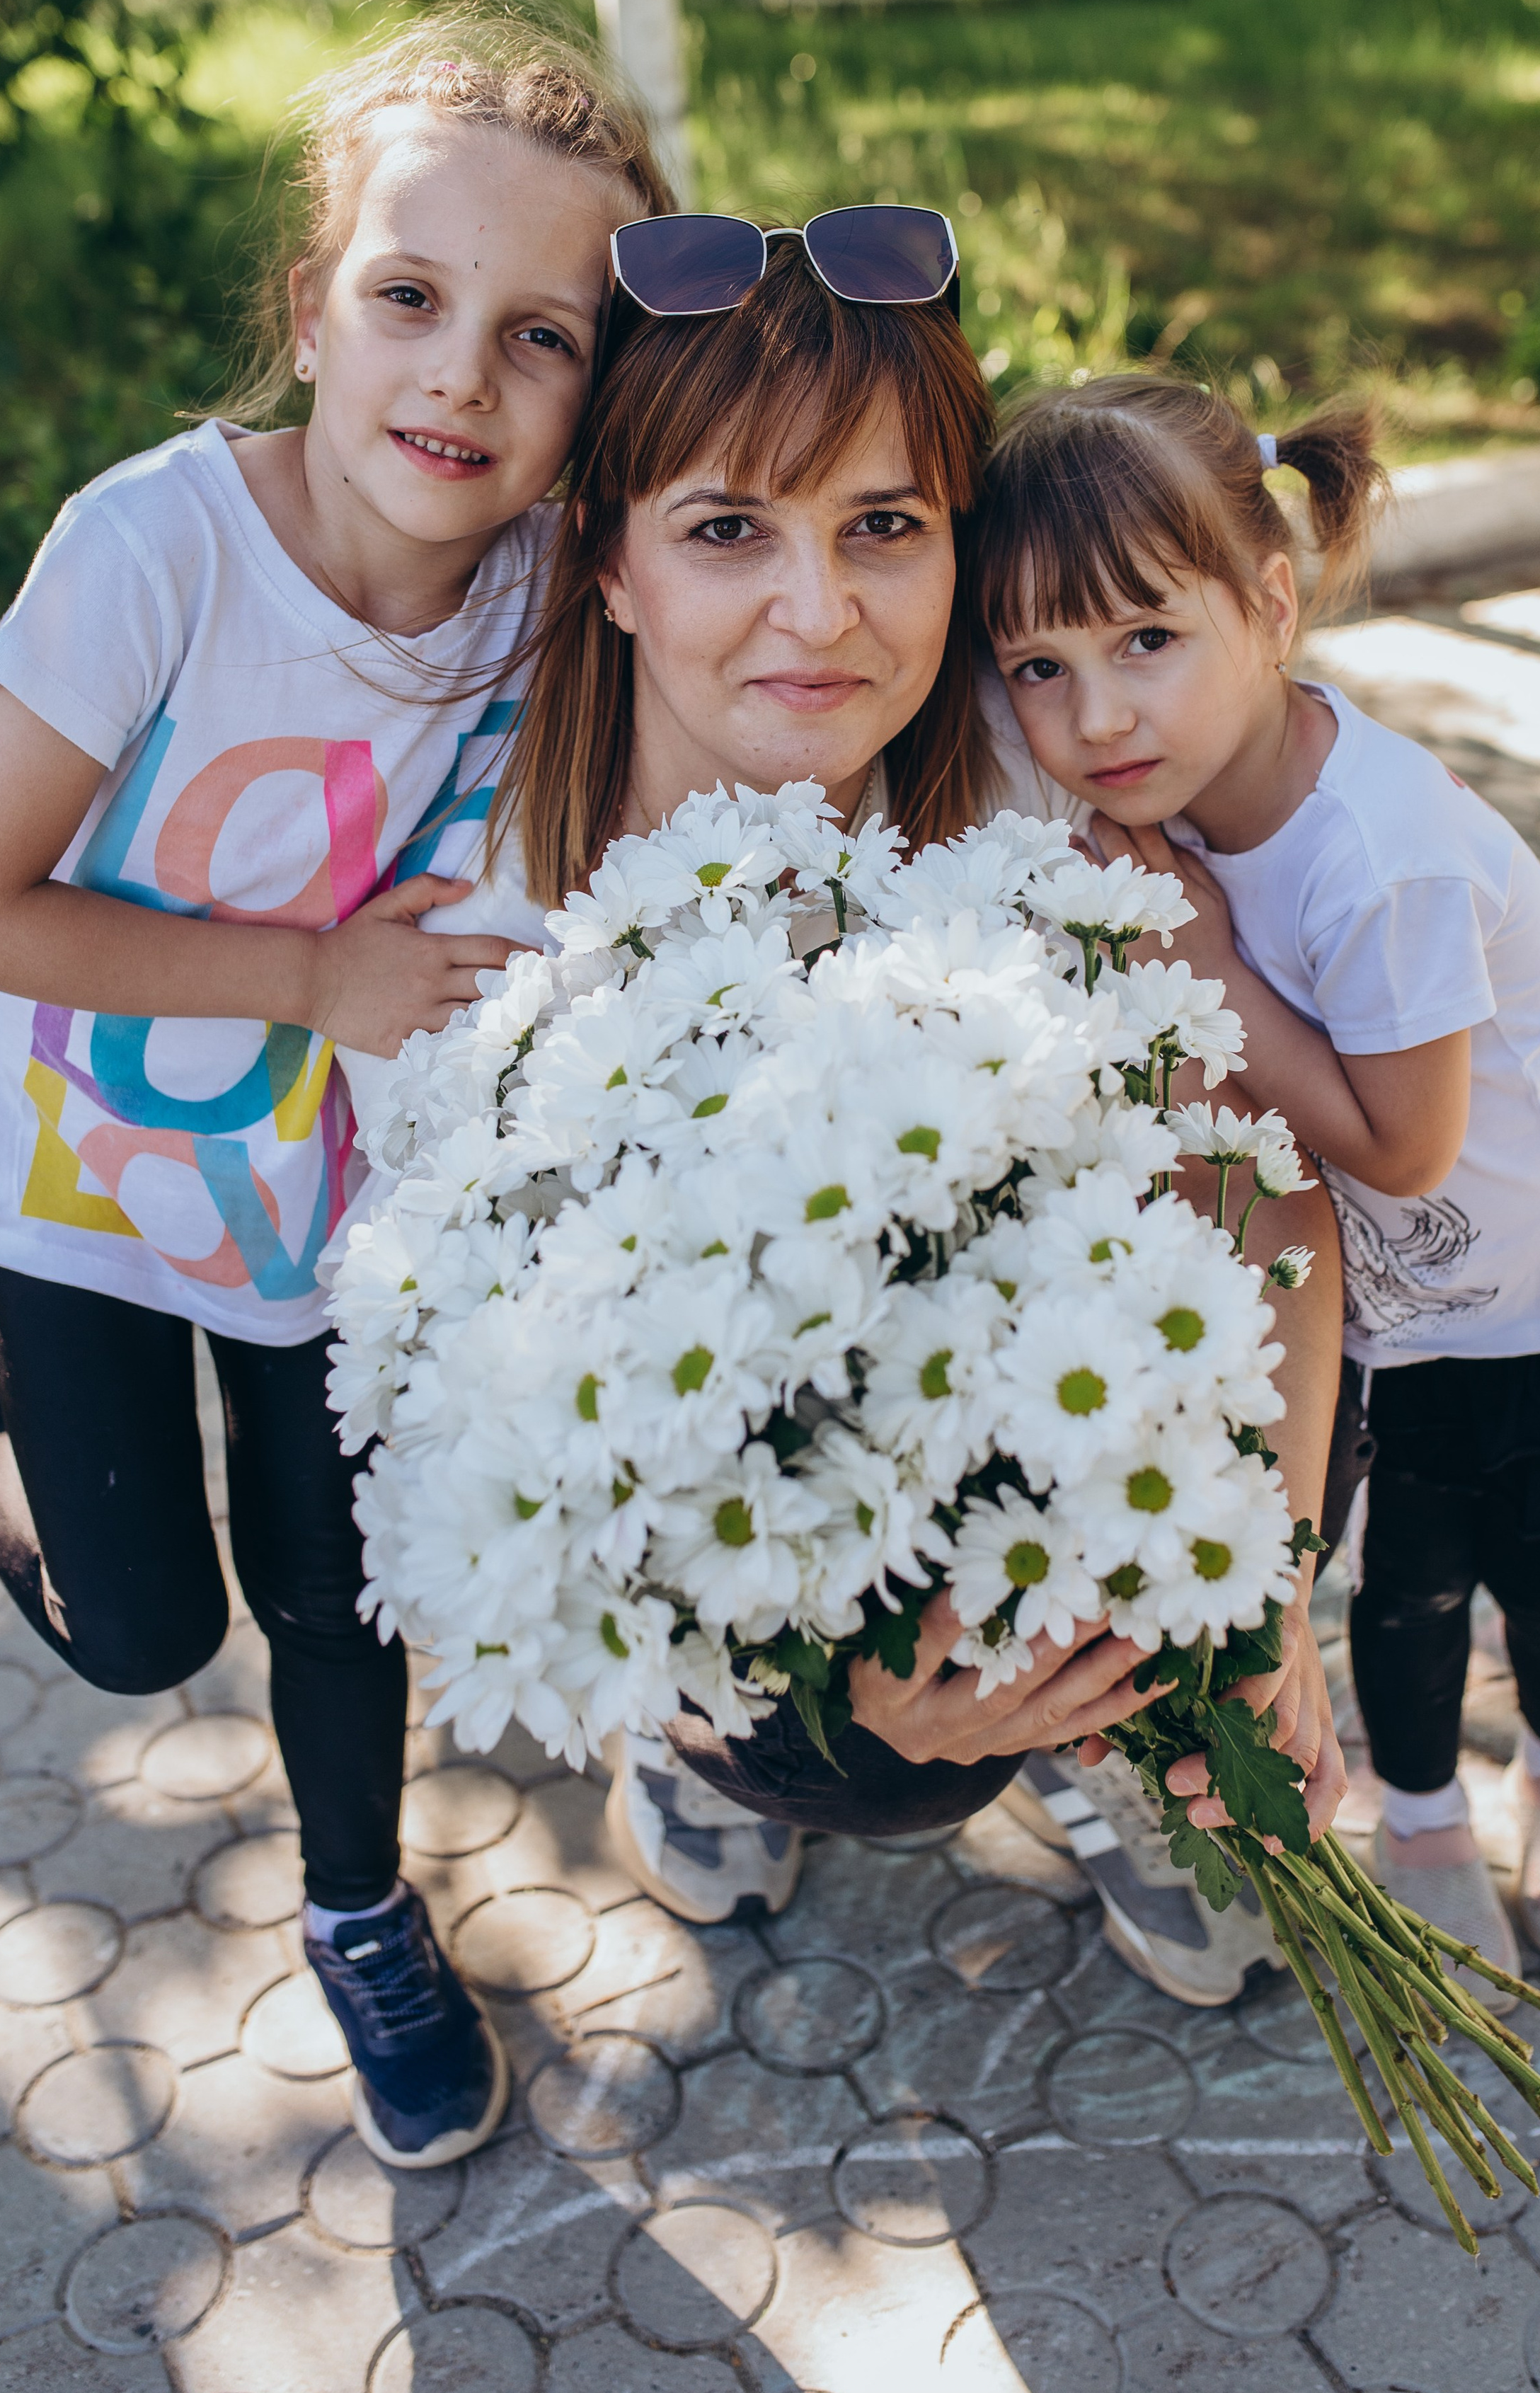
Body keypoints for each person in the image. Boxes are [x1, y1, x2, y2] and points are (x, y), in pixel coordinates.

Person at [340, 231, 1346, 1994]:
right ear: (612, 566)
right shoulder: (481, 953)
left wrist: (1258, 1607)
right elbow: (502, 1428)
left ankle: (1107, 1727)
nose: (820, 611)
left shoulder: (1057, 789)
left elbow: (1271, 1198)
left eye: (883, 524)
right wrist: (812, 1659)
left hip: (1057, 1455)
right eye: (730, 528)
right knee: (864, 1766)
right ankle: (719, 1750)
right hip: (748, 1541)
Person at [0, 4, 672, 2168]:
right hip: (76, 1178)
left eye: (542, 340)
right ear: (310, 308)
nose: (461, 375)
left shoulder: (557, 594)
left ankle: (364, 1911)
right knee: (151, 1635)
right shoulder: (156, 547)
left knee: (344, 1590)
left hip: (341, 1208)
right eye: (411, 299)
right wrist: (312, 974)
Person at [967, 369, 1540, 1985]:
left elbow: (1403, 1145)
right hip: (1399, 1312)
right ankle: (1420, 1815)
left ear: (1270, 603)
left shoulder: (1373, 857)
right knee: (1398, 1589)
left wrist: (1204, 967)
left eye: (1143, 643)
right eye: (1038, 666)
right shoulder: (1178, 802)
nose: (1094, 716)